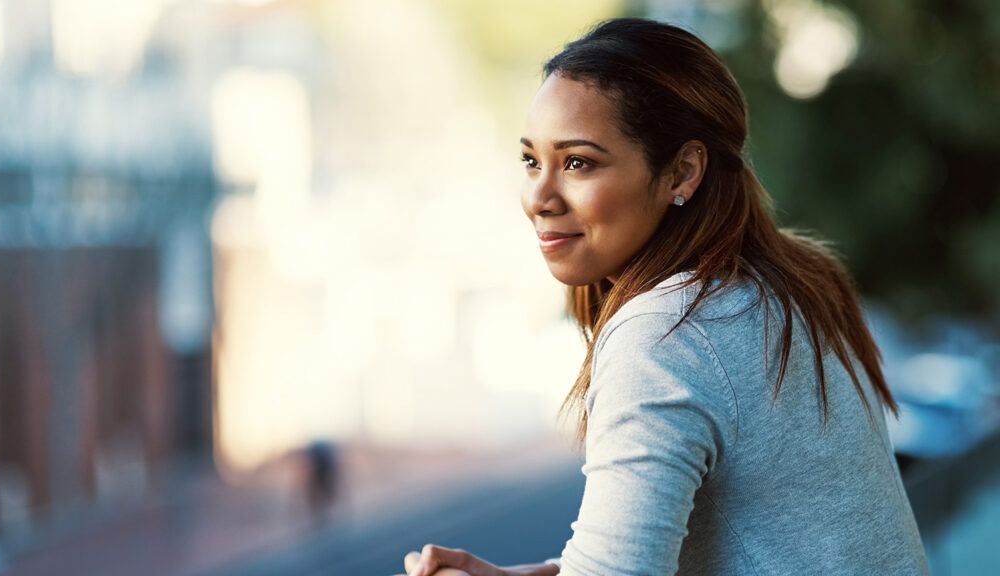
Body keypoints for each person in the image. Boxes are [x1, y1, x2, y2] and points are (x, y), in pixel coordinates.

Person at [398, 18, 929, 576]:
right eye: (532, 160)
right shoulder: (791, 282)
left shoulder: (668, 335)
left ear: (683, 171)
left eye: (578, 162)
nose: (538, 197)